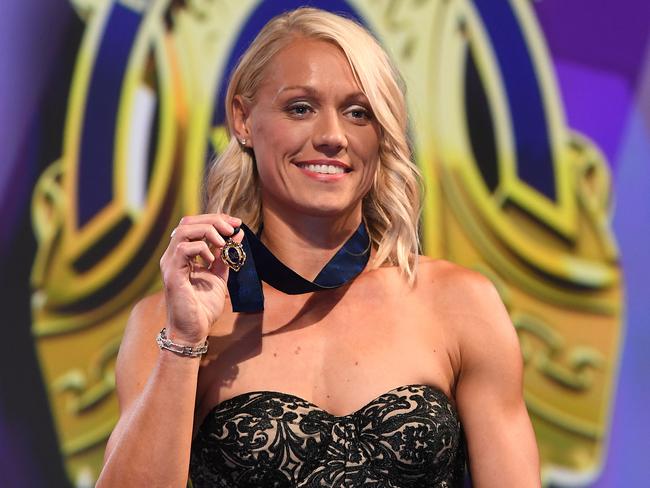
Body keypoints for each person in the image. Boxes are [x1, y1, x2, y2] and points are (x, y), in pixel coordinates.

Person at [97, 7, 540, 487]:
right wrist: (184, 343)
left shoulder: (459, 303)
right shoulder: (170, 322)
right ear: (243, 119)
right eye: (301, 108)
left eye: (358, 112)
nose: (332, 136)